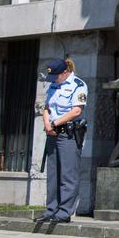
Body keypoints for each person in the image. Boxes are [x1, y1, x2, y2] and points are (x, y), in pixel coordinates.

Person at [36, 57, 88, 224]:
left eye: (56, 76)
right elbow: (47, 107)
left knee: (68, 175)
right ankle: (51, 209)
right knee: (53, 174)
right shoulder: (54, 85)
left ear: (65, 72)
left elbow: (76, 111)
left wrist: (54, 123)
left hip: (68, 134)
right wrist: (47, 123)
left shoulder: (78, 85)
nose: (54, 80)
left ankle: (64, 212)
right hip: (52, 133)